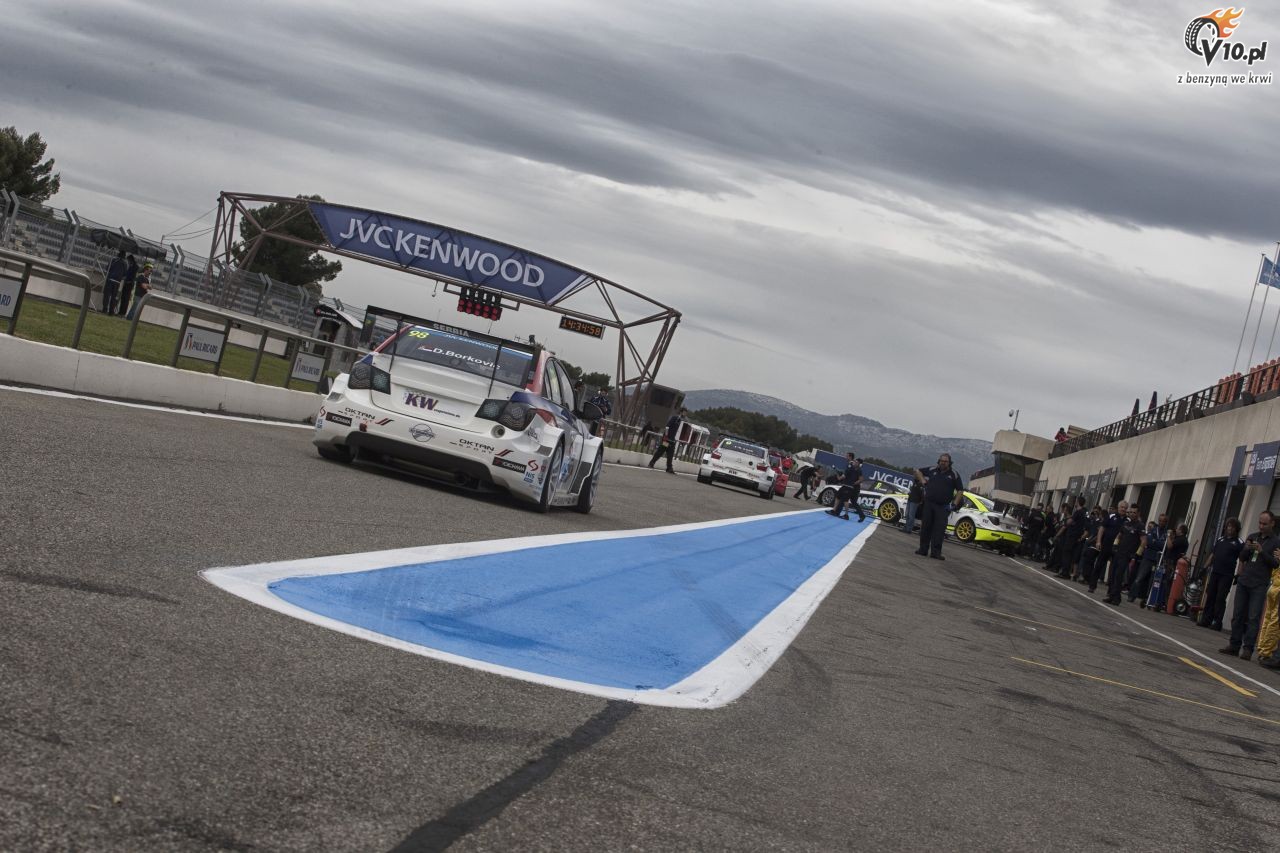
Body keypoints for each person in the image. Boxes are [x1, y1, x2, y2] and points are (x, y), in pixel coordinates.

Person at [1220, 510, 1280, 661]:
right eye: (1260, 523)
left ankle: (1248, 648)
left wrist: (1261, 551)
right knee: (1238, 614)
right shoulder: (1253, 536)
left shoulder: (1276, 542)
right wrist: (1247, 549)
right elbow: (1242, 557)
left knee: (1253, 617)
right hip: (1245, 580)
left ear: (1272, 524)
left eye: (1264, 524)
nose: (1261, 526)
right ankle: (1234, 645)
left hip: (1259, 583)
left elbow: (1275, 564)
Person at [913, 453, 963, 560]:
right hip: (929, 504)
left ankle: (936, 553)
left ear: (949, 463)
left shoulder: (954, 474)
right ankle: (923, 550)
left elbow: (960, 490)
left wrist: (954, 504)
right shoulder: (932, 469)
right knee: (925, 527)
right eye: (941, 461)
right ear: (938, 461)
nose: (943, 463)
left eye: (945, 461)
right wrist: (923, 481)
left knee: (939, 530)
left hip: (943, 507)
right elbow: (917, 471)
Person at [1198, 518, 1244, 631]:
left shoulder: (1239, 543)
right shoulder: (1220, 539)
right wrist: (1204, 568)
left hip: (1227, 575)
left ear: (1237, 529)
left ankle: (1217, 622)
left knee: (1220, 598)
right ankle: (1206, 619)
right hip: (1215, 572)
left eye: (1232, 527)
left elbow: (1242, 560)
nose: (1230, 528)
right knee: (1210, 595)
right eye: (1228, 526)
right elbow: (1212, 555)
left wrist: (1238, 574)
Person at [1105, 505, 1146, 605]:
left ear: (1138, 514)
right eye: (1130, 512)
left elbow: (1144, 541)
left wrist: (1137, 554)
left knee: (1119, 576)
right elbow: (1119, 535)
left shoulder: (1140, 526)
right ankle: (1111, 596)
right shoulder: (1126, 523)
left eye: (1134, 512)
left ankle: (1116, 598)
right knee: (1113, 575)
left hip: (1127, 555)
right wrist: (1115, 545)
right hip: (1118, 552)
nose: (1132, 514)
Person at [1130, 514, 1169, 606]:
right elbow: (1149, 542)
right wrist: (1157, 543)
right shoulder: (1153, 530)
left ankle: (1148, 598)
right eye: (1160, 520)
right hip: (1148, 557)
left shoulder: (1166, 533)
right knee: (1139, 577)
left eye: (1164, 521)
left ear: (1166, 522)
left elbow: (1165, 546)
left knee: (1153, 581)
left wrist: (1156, 542)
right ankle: (1132, 595)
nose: (1161, 522)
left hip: (1158, 559)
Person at [1089, 501, 1126, 594]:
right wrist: (1098, 541)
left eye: (1125, 508)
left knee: (1114, 570)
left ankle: (1110, 591)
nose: (1123, 509)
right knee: (1099, 565)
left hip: (1118, 548)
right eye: (1121, 507)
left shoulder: (1127, 520)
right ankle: (1092, 586)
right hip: (1106, 545)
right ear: (1118, 507)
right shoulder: (1111, 516)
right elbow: (1102, 528)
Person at [826, 452, 866, 522]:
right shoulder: (853, 466)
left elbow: (860, 479)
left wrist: (853, 483)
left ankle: (841, 513)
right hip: (851, 486)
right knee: (845, 499)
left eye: (847, 456)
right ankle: (837, 512)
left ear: (850, 457)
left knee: (847, 500)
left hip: (853, 487)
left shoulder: (854, 467)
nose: (845, 457)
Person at [1056, 496, 1088, 580]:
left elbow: (1069, 522)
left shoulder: (1078, 512)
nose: (1075, 503)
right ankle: (1066, 572)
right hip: (1077, 536)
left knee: (1066, 553)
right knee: (1070, 554)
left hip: (1072, 536)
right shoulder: (1084, 513)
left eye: (1076, 501)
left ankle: (1065, 573)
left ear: (1078, 502)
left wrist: (1067, 522)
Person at [648, 407, 686, 474]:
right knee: (660, 452)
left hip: (672, 441)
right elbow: (667, 427)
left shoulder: (679, 420)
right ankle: (651, 463)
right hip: (666, 440)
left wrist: (673, 438)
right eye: (684, 412)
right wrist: (665, 436)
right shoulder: (674, 418)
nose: (685, 414)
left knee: (670, 455)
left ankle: (669, 468)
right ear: (681, 412)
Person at [103, 249, 127, 314]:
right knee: (114, 297)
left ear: (118, 254)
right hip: (117, 282)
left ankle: (105, 309)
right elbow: (125, 275)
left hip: (110, 280)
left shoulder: (113, 260)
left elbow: (107, 269)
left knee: (107, 295)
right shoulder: (125, 263)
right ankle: (111, 311)